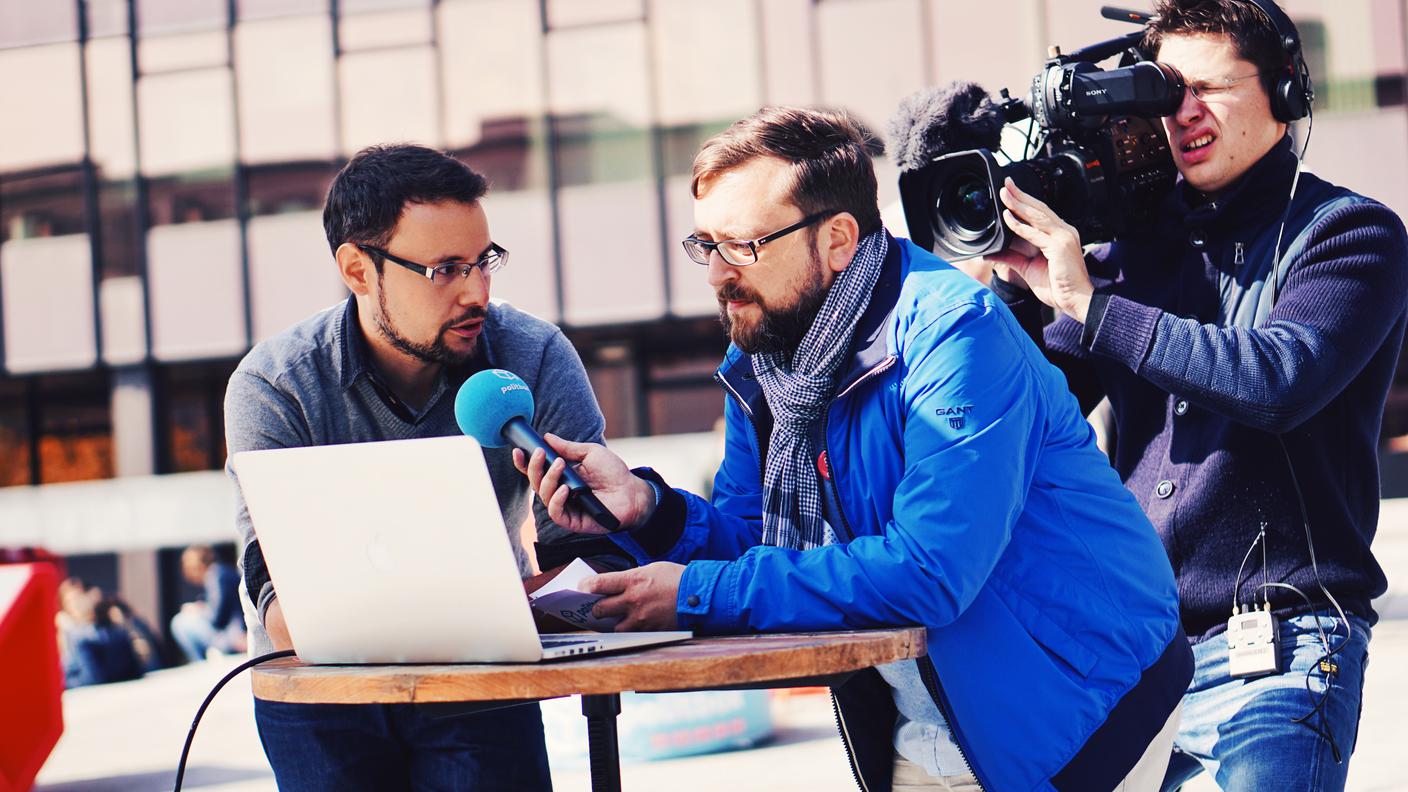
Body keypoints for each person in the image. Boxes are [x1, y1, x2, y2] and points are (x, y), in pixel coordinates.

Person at [517, 106, 1192, 792]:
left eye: (743, 246)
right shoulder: (766, 354)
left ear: (838, 239)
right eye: (705, 245)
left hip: (1082, 714)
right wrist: (648, 509)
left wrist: (694, 592)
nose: (718, 274)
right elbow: (759, 546)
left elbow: (931, 570)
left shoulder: (958, 335)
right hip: (924, 721)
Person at [960, 2, 1408, 789]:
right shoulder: (1132, 247)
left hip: (1279, 644)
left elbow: (1277, 379)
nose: (1185, 114)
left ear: (1285, 90)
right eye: (1166, 94)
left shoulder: (1351, 233)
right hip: (1135, 650)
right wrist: (1015, 294)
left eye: (1208, 88)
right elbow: (1034, 412)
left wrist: (1091, 303)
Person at [225, 143, 608, 791]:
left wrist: (571, 570)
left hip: (482, 673)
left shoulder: (532, 357)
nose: (477, 291)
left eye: (484, 262)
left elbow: (592, 567)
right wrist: (483, 606)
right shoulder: (275, 385)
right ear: (357, 269)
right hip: (318, 693)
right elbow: (281, 610)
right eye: (445, 270)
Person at [170, 544, 246, 662]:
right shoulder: (222, 572)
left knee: (180, 622)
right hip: (236, 634)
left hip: (235, 638)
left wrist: (197, 610)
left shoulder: (216, 575)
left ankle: (200, 662)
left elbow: (217, 618)